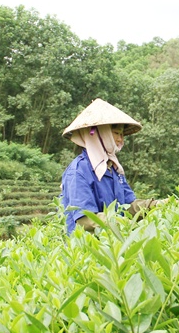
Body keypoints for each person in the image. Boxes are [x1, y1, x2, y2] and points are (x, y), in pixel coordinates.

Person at [61, 98, 159, 234]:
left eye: (122, 134)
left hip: (114, 245)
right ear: (100, 134)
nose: (120, 140)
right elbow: (86, 220)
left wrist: (155, 206)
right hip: (88, 249)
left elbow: (128, 205)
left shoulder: (113, 168)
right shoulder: (79, 171)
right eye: (116, 133)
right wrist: (124, 223)